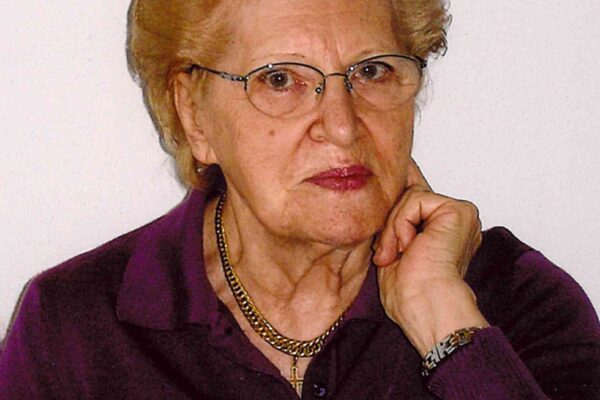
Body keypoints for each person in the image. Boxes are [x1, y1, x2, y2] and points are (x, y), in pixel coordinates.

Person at [1, 0, 599, 398]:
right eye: (280, 79)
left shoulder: (513, 300)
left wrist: (446, 325)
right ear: (193, 114)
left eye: (372, 72)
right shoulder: (75, 328)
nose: (341, 125)